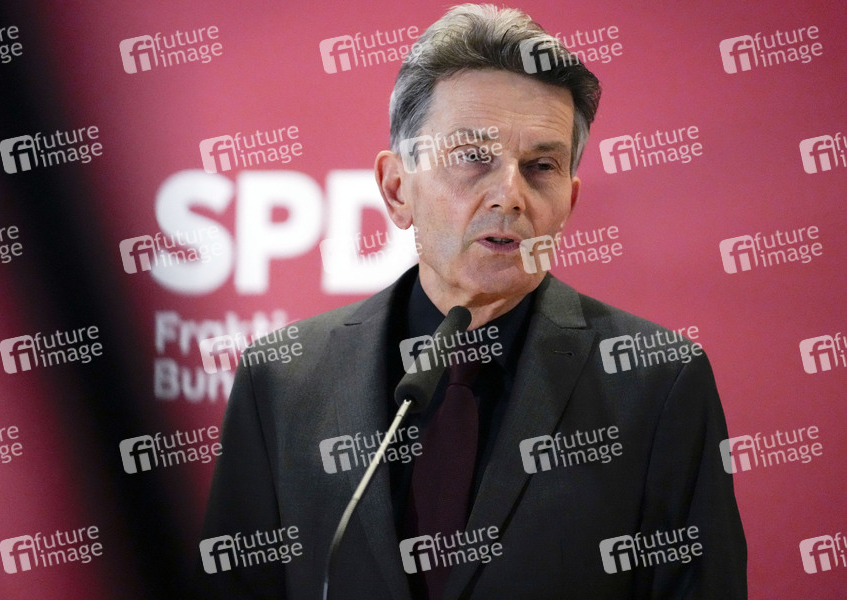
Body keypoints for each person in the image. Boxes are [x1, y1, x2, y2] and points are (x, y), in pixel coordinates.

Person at [198, 4, 747, 599]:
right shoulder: (283, 379)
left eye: (540, 166)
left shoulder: (658, 383)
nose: (509, 195)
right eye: (472, 158)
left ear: (569, 202)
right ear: (396, 188)